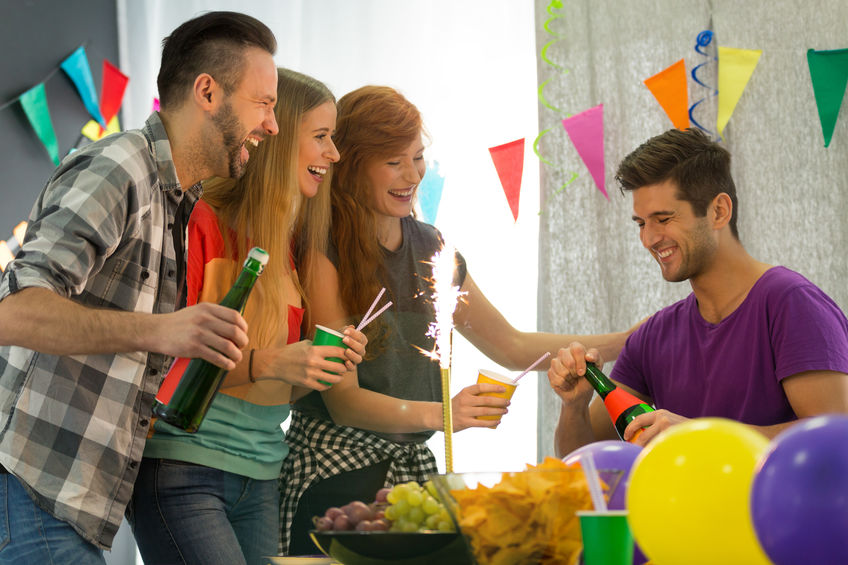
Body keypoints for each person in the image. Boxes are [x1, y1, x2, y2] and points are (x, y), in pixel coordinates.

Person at [280, 85, 638, 555]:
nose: (412, 175)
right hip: (334, 475)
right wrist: (445, 415)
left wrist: (630, 341)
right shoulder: (322, 249)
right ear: (350, 165)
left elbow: (509, 345)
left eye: (418, 156)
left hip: (409, 479)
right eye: (393, 161)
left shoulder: (432, 247)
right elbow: (345, 404)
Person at [0, 12, 279, 564]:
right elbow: (15, 310)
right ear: (207, 91)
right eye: (264, 103)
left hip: (70, 503)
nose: (271, 125)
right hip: (34, 490)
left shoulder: (177, 197)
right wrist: (166, 331)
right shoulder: (119, 167)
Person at [128, 67, 367, 565]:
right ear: (277, 141)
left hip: (261, 475)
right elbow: (166, 368)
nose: (334, 155)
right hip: (182, 468)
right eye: (321, 137)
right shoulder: (201, 225)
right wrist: (272, 363)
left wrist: (318, 366)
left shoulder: (292, 251)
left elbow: (275, 386)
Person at [547, 127, 848, 457]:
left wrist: (701, 435)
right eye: (641, 223)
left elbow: (833, 439)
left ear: (718, 211)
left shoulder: (791, 303)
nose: (648, 239)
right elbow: (579, 464)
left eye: (663, 218)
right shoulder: (652, 337)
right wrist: (574, 407)